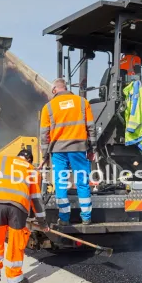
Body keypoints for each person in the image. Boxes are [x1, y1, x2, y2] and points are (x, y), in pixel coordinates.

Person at [0, 148, 48, 283]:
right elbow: (36, 199)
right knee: (16, 244)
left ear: (18, 156)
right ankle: (15, 281)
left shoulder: (3, 161)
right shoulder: (32, 170)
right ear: (29, 160)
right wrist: (42, 222)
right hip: (18, 208)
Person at [40, 79, 96, 226]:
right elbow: (91, 128)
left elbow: (44, 135)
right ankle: (86, 218)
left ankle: (64, 219)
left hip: (58, 151)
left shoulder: (48, 107)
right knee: (82, 182)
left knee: (61, 183)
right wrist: (92, 149)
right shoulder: (83, 102)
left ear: (54, 90)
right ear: (66, 88)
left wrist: (45, 156)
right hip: (79, 149)